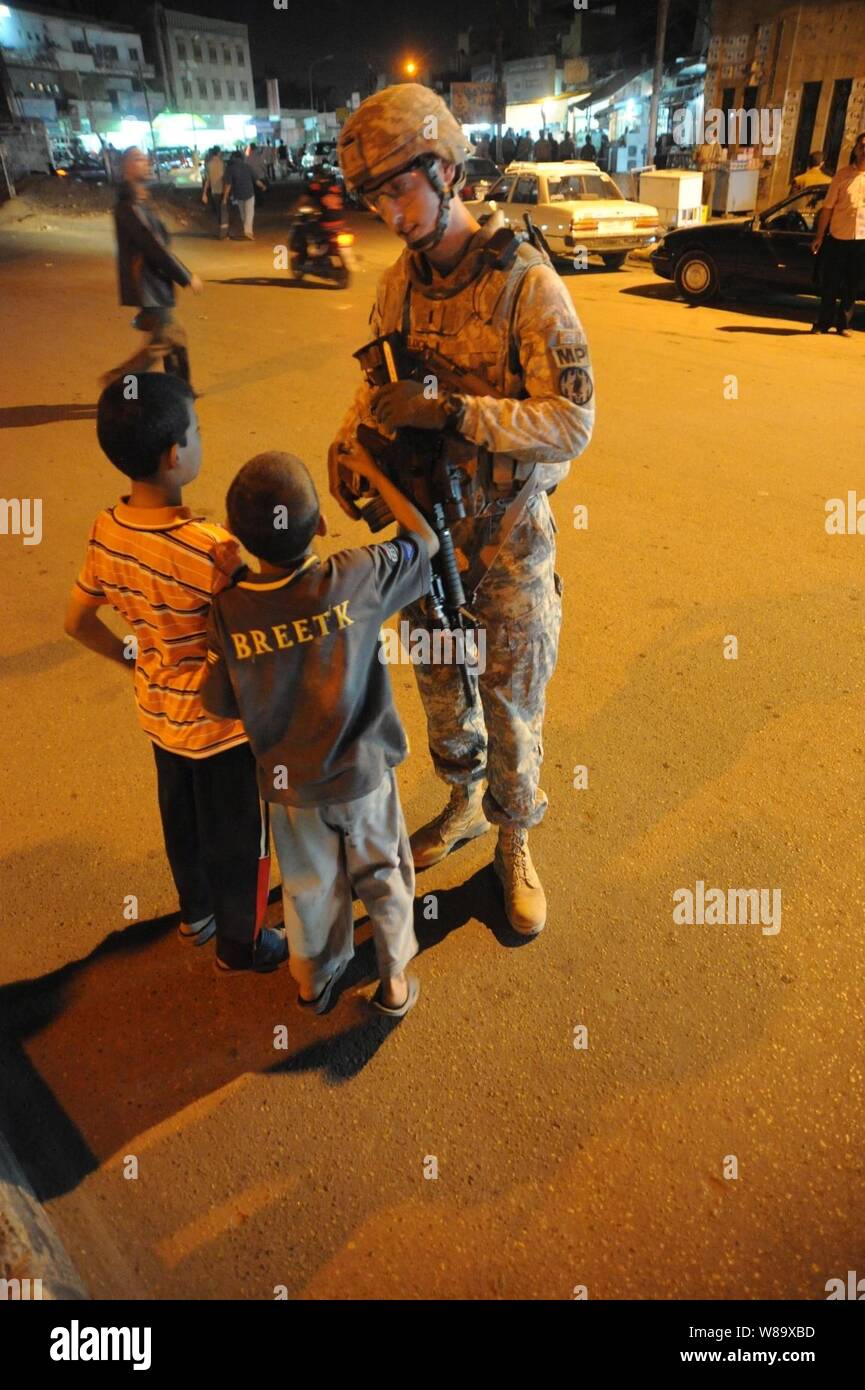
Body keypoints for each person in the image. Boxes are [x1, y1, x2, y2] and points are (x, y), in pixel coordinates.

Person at [330, 83, 594, 936]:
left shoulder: (526, 285)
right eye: (374, 198)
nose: (388, 212)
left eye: (399, 189)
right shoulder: (396, 290)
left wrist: (454, 414)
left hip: (508, 542)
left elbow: (571, 422)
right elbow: (376, 388)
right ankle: (464, 804)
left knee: (513, 706)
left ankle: (513, 841)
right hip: (424, 542)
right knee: (444, 691)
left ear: (446, 170)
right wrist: (348, 447)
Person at [63, 375, 287, 975]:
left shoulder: (106, 530)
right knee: (239, 839)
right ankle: (242, 944)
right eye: (197, 430)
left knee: (182, 822)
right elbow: (259, 623)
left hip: (160, 720)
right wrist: (244, 570)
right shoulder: (208, 549)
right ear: (174, 455)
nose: (200, 439)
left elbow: (77, 620)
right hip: (221, 730)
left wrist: (133, 658)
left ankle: (196, 914)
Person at [202, 452, 438, 1017]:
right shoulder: (355, 575)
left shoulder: (231, 609)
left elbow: (217, 703)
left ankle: (313, 981)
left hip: (291, 792)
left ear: (237, 538)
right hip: (363, 778)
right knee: (383, 874)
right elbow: (424, 540)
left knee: (310, 889)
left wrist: (227, 589)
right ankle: (394, 982)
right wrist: (378, 472)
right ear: (324, 526)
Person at [101, 146, 202, 390]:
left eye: (145, 158)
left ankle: (179, 390)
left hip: (153, 283)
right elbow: (153, 246)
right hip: (147, 285)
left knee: (174, 338)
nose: (145, 162)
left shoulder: (139, 200)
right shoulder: (129, 206)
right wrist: (186, 276)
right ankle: (119, 383)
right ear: (125, 169)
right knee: (164, 341)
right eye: (137, 159)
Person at [811, 131, 865, 336]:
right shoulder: (842, 176)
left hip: (861, 240)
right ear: (855, 149)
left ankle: (844, 324)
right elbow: (827, 208)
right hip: (838, 237)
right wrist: (819, 237)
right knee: (830, 283)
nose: (864, 151)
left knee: (853, 284)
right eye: (861, 146)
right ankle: (823, 323)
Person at [223, 149, 265, 240]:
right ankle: (248, 232)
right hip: (249, 193)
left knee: (243, 214)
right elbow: (256, 180)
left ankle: (247, 231)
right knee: (249, 214)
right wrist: (263, 186)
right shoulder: (247, 167)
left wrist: (225, 198)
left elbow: (228, 185)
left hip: (238, 194)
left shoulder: (230, 169)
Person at [202, 145, 228, 238]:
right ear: (219, 153)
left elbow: (207, 180)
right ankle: (224, 233)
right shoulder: (222, 164)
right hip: (223, 190)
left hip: (214, 191)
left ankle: (221, 231)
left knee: (218, 211)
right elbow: (226, 179)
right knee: (224, 211)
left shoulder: (209, 164)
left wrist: (204, 193)